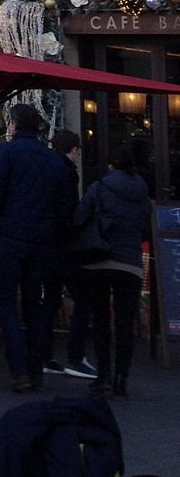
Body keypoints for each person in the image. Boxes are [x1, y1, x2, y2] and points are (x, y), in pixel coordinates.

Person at [0, 103, 75, 392]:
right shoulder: (52, 159)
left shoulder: (6, 153)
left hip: (10, 237)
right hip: (41, 242)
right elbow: (65, 204)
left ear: (14, 125)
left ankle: (19, 369)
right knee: (34, 304)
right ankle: (36, 369)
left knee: (7, 303)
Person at [78, 145, 152, 396]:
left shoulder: (99, 188)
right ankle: (122, 376)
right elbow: (144, 228)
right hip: (130, 261)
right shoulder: (143, 194)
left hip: (100, 258)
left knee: (101, 320)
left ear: (111, 165)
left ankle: (104, 375)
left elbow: (80, 218)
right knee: (125, 322)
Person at [41, 129, 96, 378]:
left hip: (45, 242)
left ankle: (43, 354)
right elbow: (68, 210)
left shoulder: (45, 167)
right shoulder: (67, 173)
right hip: (63, 245)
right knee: (84, 296)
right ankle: (75, 355)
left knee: (50, 299)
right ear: (73, 149)